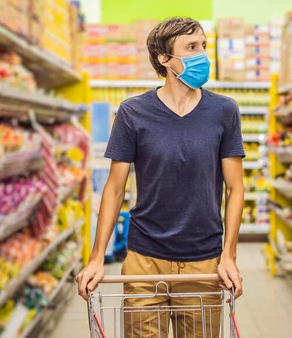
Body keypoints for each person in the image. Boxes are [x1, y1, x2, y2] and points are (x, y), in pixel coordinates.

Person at [76, 17, 246, 337]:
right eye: (192, 48)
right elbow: (114, 189)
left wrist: (230, 255)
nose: (203, 56)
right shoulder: (133, 112)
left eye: (204, 46)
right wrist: (96, 257)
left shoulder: (224, 111)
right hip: (143, 259)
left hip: (204, 260)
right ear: (165, 59)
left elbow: (235, 189)